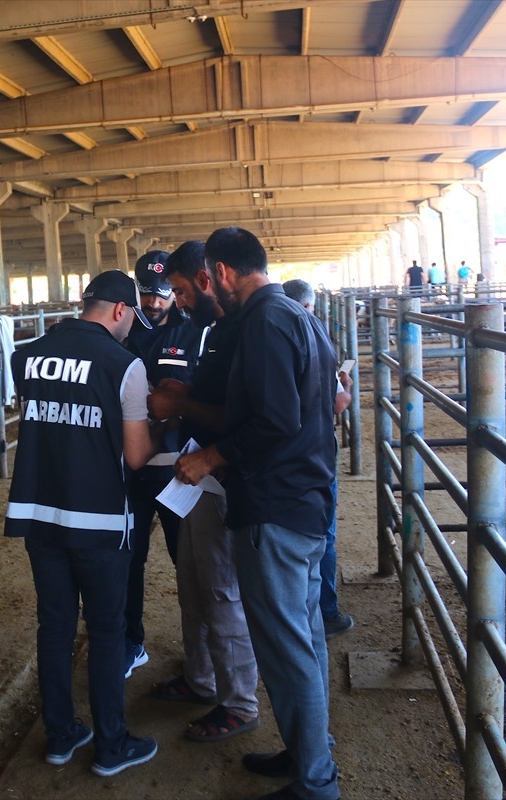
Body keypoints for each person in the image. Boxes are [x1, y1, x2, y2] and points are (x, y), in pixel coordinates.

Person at [176, 227, 340, 800]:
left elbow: (275, 421)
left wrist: (211, 459)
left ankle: (316, 781)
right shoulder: (296, 315)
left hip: (275, 506)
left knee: (287, 646)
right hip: (304, 499)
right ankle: (307, 753)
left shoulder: (267, 323)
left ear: (220, 272)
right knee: (306, 637)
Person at [4, 269, 160, 778]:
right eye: (131, 316)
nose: (131, 326)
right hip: (99, 520)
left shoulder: (27, 357)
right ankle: (112, 745)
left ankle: (60, 735)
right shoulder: (124, 365)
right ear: (120, 310)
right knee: (107, 630)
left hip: (39, 513)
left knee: (54, 625)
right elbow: (136, 458)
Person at [146, 240, 261, 743]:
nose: (179, 301)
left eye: (181, 291)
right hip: (197, 475)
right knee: (191, 580)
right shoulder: (217, 330)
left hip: (222, 475)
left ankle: (239, 702)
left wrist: (183, 405)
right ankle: (201, 678)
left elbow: (252, 417)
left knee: (219, 588)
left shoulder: (250, 329)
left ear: (208, 278)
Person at [121, 250, 204, 679]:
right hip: (132, 468)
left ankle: (201, 653)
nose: (156, 302)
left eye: (165, 293)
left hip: (179, 468)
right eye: (148, 293)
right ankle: (130, 642)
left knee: (187, 561)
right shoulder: (124, 332)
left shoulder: (195, 333)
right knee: (128, 558)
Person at [281, 278, 355, 639]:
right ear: (309, 306)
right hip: (318, 447)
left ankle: (295, 608)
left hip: (284, 452)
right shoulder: (316, 336)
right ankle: (325, 611)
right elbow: (339, 403)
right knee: (322, 530)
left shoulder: (271, 335)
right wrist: (346, 384)